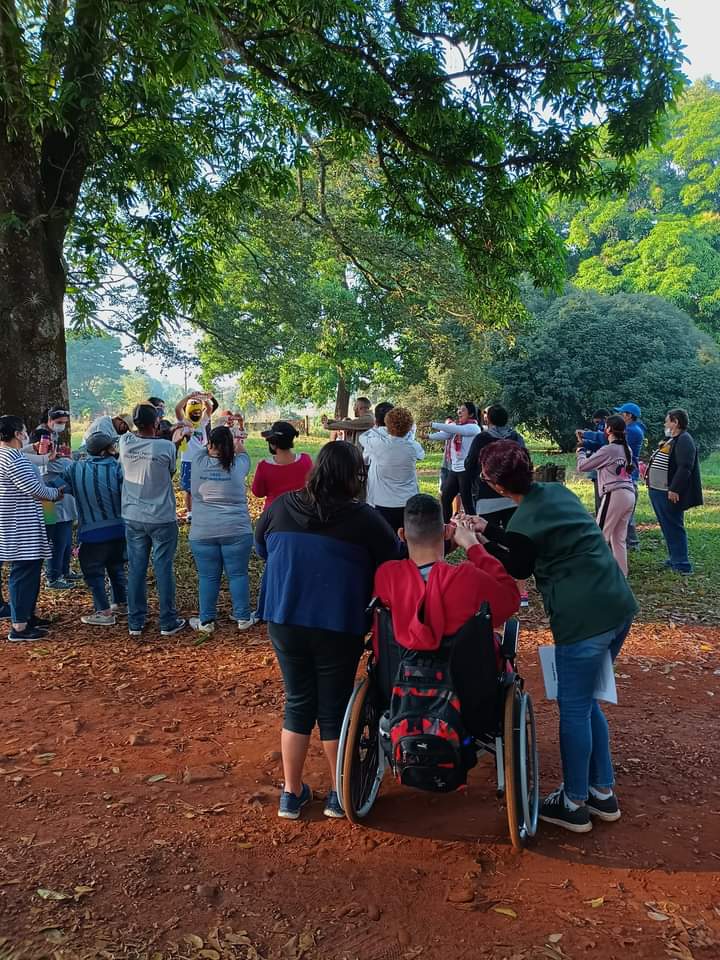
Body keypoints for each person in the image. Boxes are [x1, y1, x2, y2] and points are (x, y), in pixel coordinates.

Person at [464, 441, 637, 834]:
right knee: (588, 701)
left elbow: (517, 564)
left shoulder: (523, 522)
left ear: (494, 484)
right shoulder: (556, 492)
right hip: (617, 606)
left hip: (583, 621)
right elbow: (526, 540)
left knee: (574, 708)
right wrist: (488, 530)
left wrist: (474, 544)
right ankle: (602, 791)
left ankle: (574, 803)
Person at [255, 441, 400, 820]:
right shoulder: (364, 518)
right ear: (354, 477)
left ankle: (291, 794)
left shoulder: (282, 505)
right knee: (333, 706)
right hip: (337, 621)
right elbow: (394, 557)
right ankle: (339, 794)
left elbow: (262, 547)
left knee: (297, 701)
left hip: (284, 616)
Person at [374, 493, 520, 645]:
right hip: (464, 659)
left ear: (402, 534)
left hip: (399, 660)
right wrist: (473, 545)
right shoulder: (468, 578)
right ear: (446, 533)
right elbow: (510, 600)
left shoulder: (386, 576)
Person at [119, 404, 185, 638]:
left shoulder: (125, 442)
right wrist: (175, 441)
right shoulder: (166, 447)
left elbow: (130, 432)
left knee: (136, 569)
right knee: (163, 567)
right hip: (161, 516)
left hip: (132, 516)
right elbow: (170, 472)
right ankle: (167, 621)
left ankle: (135, 622)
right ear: (157, 422)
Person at [50, 433, 127, 625]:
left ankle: (104, 612)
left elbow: (56, 489)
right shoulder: (118, 468)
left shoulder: (75, 468)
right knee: (116, 567)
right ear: (106, 451)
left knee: (93, 574)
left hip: (91, 533)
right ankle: (121, 602)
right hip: (119, 529)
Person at [0, 416, 64, 641]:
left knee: (30, 570)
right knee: (24, 571)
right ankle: (19, 626)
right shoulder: (12, 458)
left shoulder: (7, 455)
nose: (27, 435)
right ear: (18, 434)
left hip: (16, 521)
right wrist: (55, 493)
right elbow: (34, 488)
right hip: (20, 524)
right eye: (24, 431)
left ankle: (27, 616)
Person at [189, 425, 255, 633]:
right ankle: (243, 617)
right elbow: (243, 452)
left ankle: (206, 621)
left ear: (210, 444)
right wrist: (237, 441)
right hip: (237, 530)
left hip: (203, 531)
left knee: (208, 577)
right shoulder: (239, 464)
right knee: (238, 574)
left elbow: (202, 448)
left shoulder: (198, 461)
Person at [462, 404, 529, 605]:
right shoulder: (516, 437)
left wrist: (469, 501)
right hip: (513, 498)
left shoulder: (482, 439)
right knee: (517, 542)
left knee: (484, 542)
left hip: (487, 498)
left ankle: (490, 587)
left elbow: (469, 465)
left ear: (488, 419)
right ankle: (522, 592)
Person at [576, 415, 636, 575]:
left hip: (615, 494)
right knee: (618, 538)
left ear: (608, 429)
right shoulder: (626, 449)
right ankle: (621, 575)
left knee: (599, 535)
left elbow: (583, 466)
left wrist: (581, 451)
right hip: (629, 494)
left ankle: (593, 575)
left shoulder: (609, 449)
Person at [646, 408, 702, 575]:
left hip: (668, 491)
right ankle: (674, 558)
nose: (665, 424)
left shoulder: (684, 439)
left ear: (675, 422)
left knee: (674, 526)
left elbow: (685, 467)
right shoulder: (672, 439)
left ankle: (682, 564)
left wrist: (674, 489)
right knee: (667, 525)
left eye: (667, 421)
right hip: (658, 489)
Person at [359, 406, 425, 532]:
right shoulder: (414, 447)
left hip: (383, 503)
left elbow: (362, 437)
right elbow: (421, 455)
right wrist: (409, 435)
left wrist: (377, 429)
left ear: (387, 424)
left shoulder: (378, 445)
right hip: (408, 501)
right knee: (406, 537)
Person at [30, 425, 79, 590]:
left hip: (65, 504)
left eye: (51, 442)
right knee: (56, 542)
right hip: (48, 506)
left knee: (65, 540)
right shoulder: (36, 461)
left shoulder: (52, 459)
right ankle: (53, 576)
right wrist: (67, 458)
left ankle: (65, 571)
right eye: (46, 443)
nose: (51, 446)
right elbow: (69, 465)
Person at [429, 402, 482, 523]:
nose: (459, 412)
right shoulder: (458, 427)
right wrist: (428, 436)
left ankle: (475, 528)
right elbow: (446, 434)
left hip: (466, 470)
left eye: (462, 410)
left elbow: (453, 429)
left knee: (467, 502)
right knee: (446, 497)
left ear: (471, 414)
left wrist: (433, 424)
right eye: (458, 410)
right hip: (455, 469)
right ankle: (446, 525)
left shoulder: (473, 427)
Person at [251, 421, 313, 511]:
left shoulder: (263, 466)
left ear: (273, 443)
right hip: (301, 513)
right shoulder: (306, 460)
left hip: (273, 514)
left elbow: (258, 493)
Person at [174, 392, 216, 520]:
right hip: (187, 460)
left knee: (203, 486)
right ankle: (190, 513)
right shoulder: (183, 422)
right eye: (194, 411)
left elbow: (210, 408)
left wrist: (205, 398)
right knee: (188, 489)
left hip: (202, 460)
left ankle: (202, 509)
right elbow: (177, 408)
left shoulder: (202, 422)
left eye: (198, 411)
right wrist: (188, 397)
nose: (197, 414)